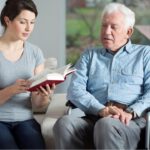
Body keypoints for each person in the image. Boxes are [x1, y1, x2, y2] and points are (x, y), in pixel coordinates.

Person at [53, 2, 150, 149]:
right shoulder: (89, 56)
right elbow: (75, 91)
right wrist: (101, 110)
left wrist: (131, 111)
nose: (106, 31)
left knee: (106, 125)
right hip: (95, 117)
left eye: (113, 27)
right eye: (104, 25)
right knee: (63, 123)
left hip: (129, 123)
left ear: (128, 32)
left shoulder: (144, 54)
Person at [0, 0, 55, 149]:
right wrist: (11, 90)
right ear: (7, 20)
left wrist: (43, 96)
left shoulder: (35, 53)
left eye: (32, 22)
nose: (28, 28)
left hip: (26, 120)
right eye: (23, 22)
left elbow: (37, 104)